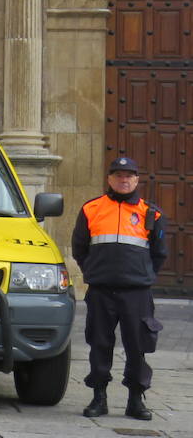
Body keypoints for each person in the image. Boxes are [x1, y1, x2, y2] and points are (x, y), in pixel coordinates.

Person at [72, 156, 166, 421]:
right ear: (109, 179)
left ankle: (135, 400)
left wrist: (142, 277)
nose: (124, 180)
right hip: (101, 290)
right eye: (118, 175)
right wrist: (93, 272)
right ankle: (98, 398)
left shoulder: (151, 213)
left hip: (136, 293)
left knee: (137, 346)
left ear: (137, 179)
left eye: (129, 176)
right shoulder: (92, 208)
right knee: (99, 344)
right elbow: (80, 247)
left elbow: (159, 254)